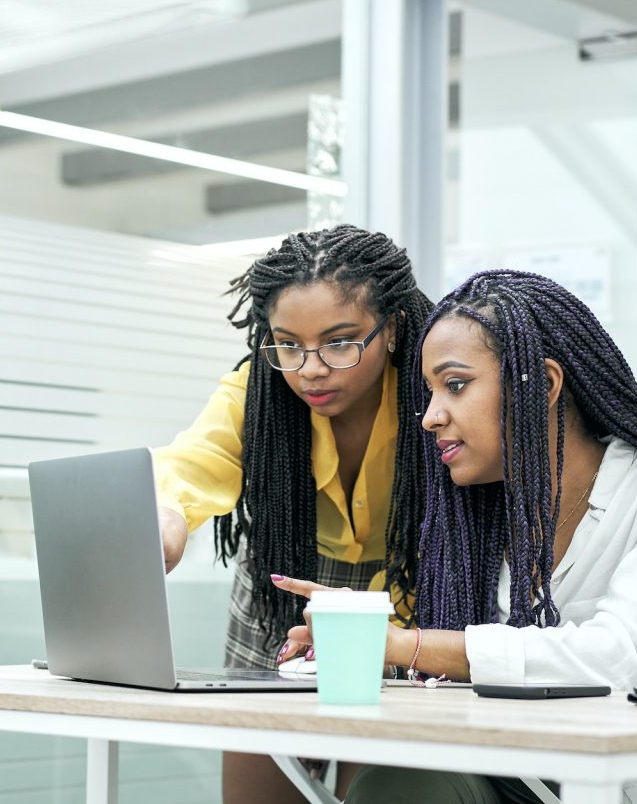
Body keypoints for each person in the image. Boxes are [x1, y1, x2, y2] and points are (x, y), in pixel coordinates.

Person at [276, 269, 637, 804]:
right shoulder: (479, 512)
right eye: (429, 392)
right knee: (395, 783)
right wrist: (371, 653)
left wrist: (406, 644)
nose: (431, 417)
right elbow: (476, 665)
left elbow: (615, 657)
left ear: (545, 384)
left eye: (455, 385)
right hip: (515, 764)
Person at [154, 224, 434, 804]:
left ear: (395, 329)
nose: (310, 368)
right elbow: (193, 457)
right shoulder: (257, 390)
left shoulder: (433, 393)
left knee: (376, 788)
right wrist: (165, 515)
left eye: (340, 342)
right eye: (288, 344)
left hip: (406, 593)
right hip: (280, 585)